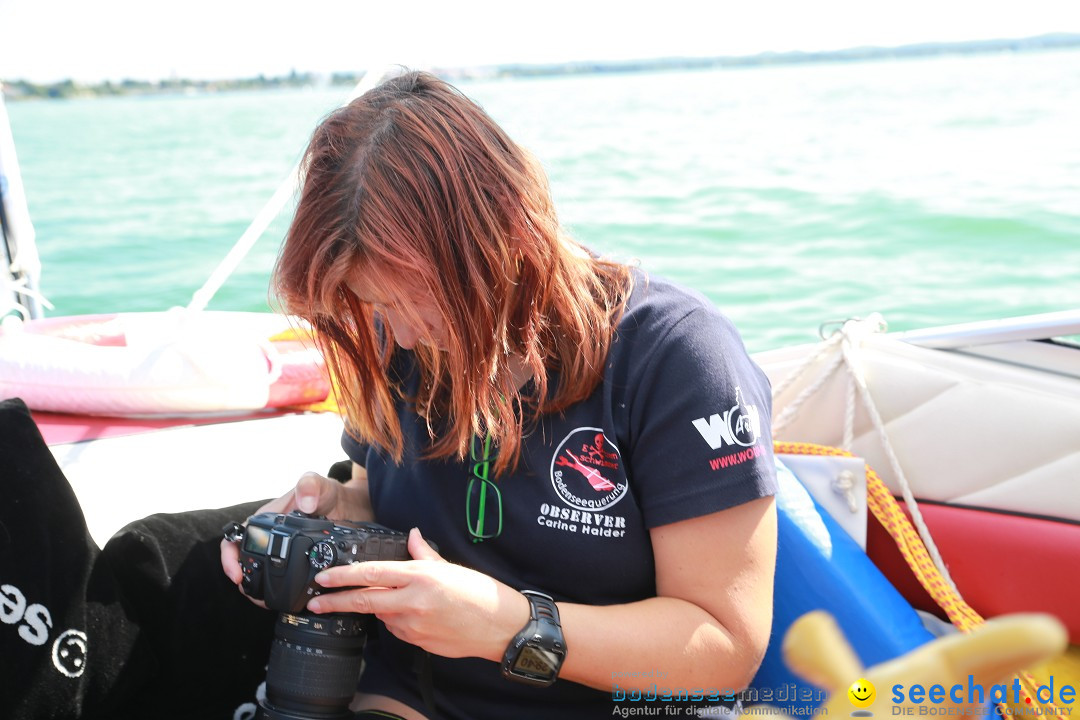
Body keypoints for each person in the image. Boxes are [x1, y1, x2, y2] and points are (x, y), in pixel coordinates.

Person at [221, 70, 778, 720]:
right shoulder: (395, 339)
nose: (397, 330)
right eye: (373, 302)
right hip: (416, 697)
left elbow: (724, 645)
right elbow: (390, 492)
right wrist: (338, 509)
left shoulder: (676, 356)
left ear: (501, 239)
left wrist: (508, 625)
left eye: (413, 299)